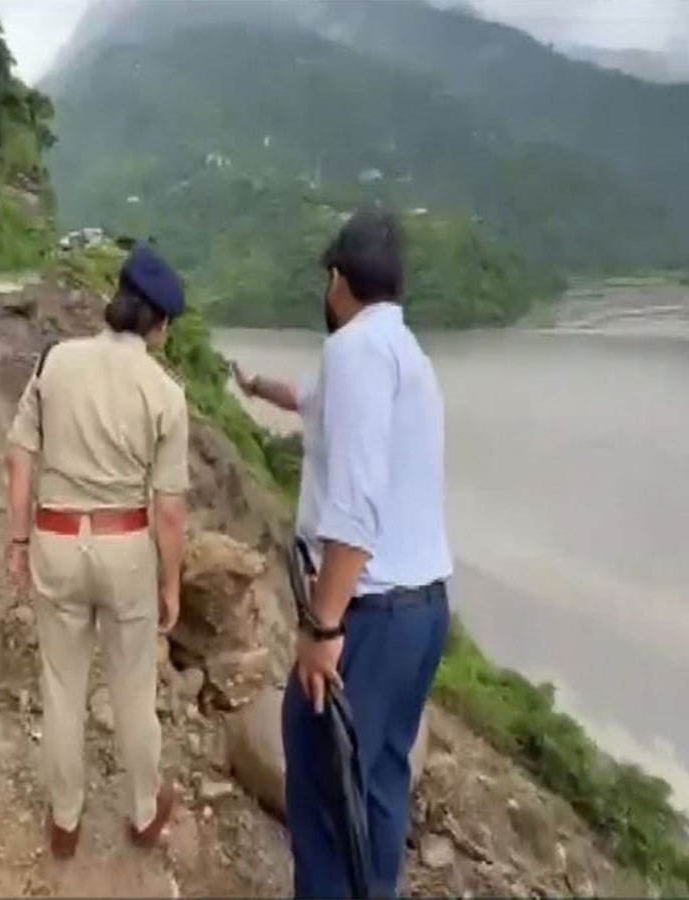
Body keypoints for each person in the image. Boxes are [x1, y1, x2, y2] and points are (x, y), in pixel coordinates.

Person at [234, 210, 451, 898]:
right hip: (422, 614)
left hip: (368, 615)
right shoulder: (406, 356)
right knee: (381, 781)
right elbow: (309, 400)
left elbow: (354, 506)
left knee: (324, 794)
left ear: (336, 281)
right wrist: (251, 385)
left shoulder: (354, 350)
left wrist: (323, 625)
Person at [5, 243, 190, 860]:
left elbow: (19, 456)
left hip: (55, 541)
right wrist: (172, 584)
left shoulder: (55, 361)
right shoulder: (165, 393)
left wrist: (17, 539)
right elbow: (169, 509)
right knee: (133, 689)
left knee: (62, 686)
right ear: (159, 324)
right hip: (125, 548)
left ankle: (64, 820)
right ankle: (143, 815)